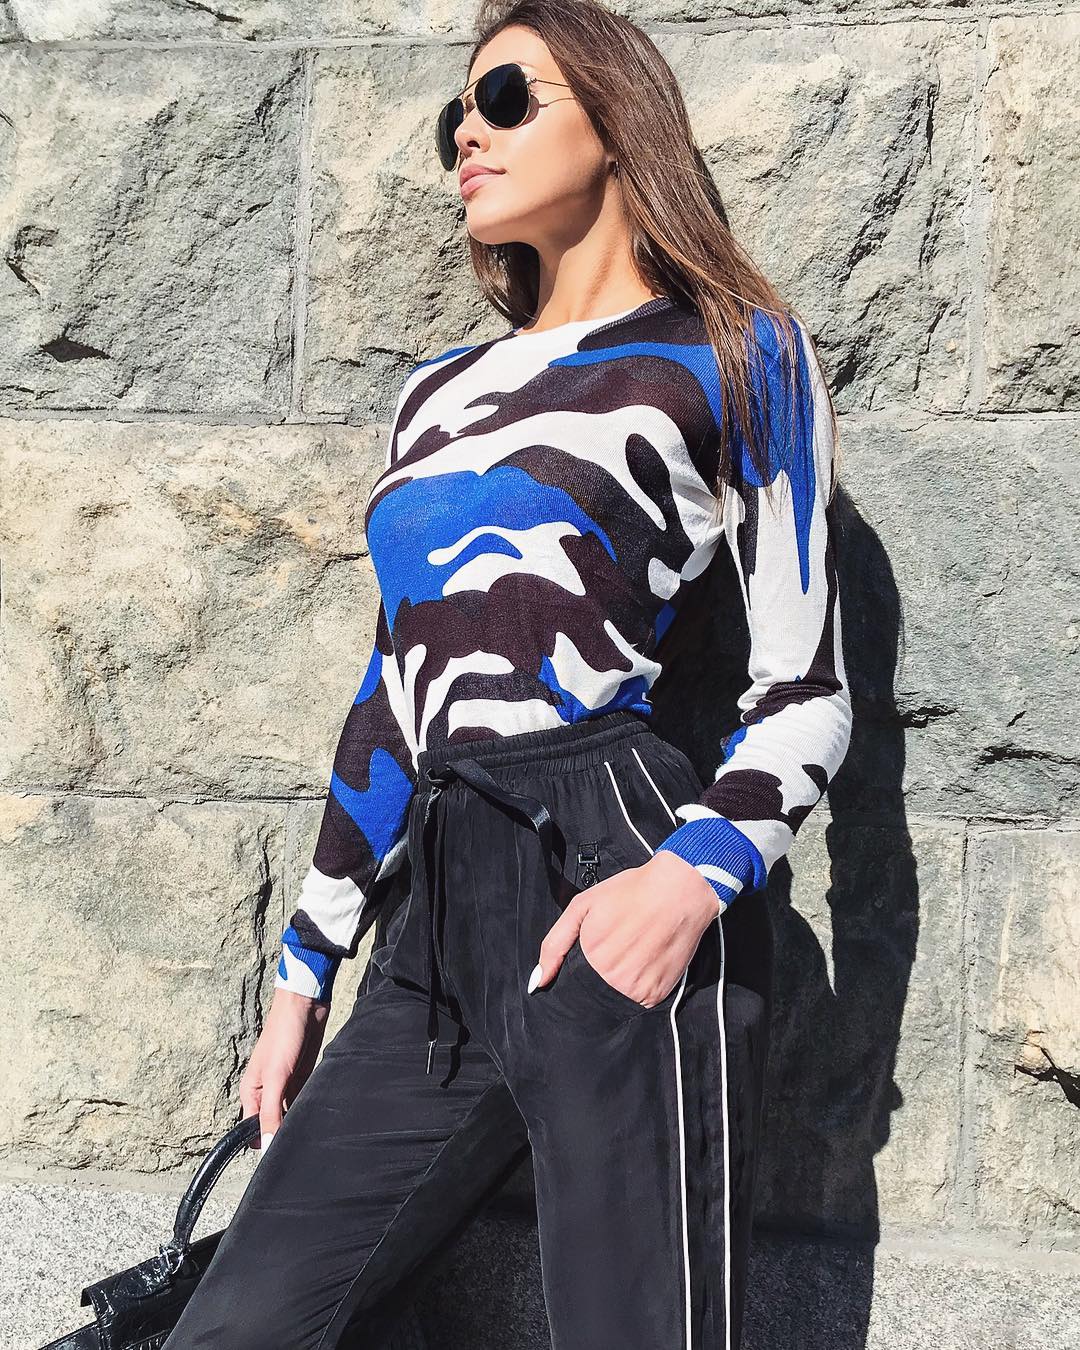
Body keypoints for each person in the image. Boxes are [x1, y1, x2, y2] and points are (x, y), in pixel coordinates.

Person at [162, 1, 852, 1346]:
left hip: (616, 857)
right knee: (238, 1324)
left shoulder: (735, 349)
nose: (466, 137)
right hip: (437, 909)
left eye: (504, 99)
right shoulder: (433, 392)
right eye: (454, 120)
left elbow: (805, 686)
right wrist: (304, 969)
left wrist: (686, 882)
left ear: (617, 119)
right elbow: (393, 695)